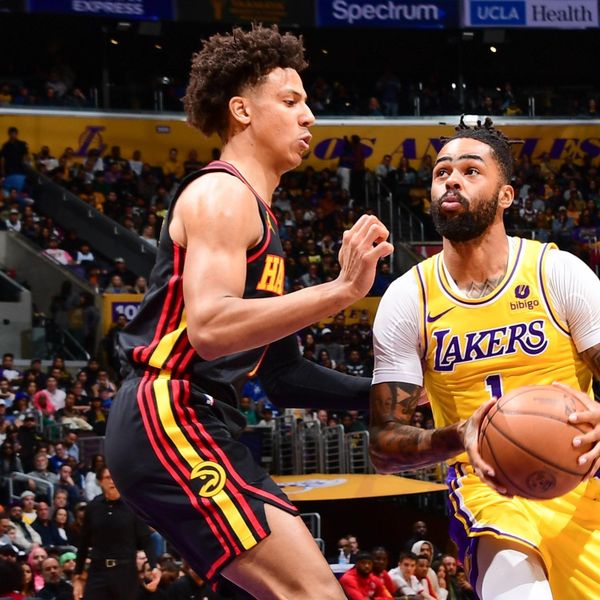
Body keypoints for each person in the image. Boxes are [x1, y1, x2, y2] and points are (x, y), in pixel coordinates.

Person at [105, 24, 392, 600]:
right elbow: (209, 330)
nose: (309, 116)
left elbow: (284, 378)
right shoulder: (224, 194)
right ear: (241, 110)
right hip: (171, 412)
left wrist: (392, 391)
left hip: (197, 419)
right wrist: (340, 291)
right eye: (290, 101)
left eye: (306, 102)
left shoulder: (262, 219)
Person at [368, 118, 600, 599]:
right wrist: (459, 435)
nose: (451, 180)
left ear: (507, 195)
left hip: (580, 489)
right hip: (487, 491)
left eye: (470, 170)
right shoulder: (407, 298)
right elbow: (382, 443)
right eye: (442, 172)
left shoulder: (557, 272)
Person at [72, 467, 154, 600]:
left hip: (125, 570)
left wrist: (154, 566)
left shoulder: (132, 505)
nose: (113, 481)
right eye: (108, 477)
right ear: (100, 481)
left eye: (115, 477)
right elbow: (83, 544)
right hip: (98, 570)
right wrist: (77, 575)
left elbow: (146, 539)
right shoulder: (93, 507)